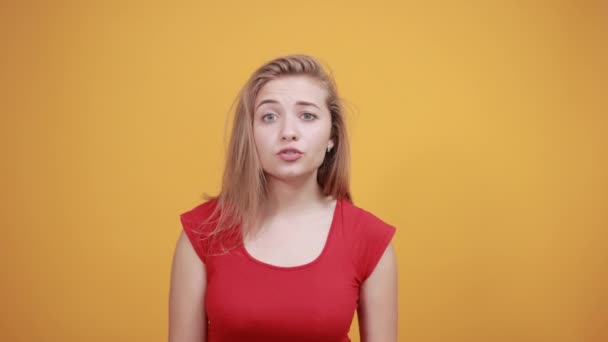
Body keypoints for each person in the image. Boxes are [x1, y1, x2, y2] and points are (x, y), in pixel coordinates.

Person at [169, 54, 398, 342]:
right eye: (269, 117)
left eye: (307, 116)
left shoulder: (370, 239)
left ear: (332, 137)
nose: (288, 132)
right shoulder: (203, 230)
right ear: (250, 134)